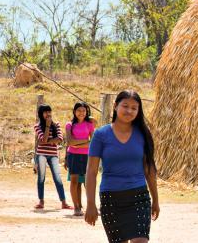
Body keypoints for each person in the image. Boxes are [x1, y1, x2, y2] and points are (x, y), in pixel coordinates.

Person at [84, 90, 160, 243]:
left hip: (139, 197)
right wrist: (90, 204)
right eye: (125, 106)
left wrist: (156, 200)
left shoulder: (143, 134)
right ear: (115, 106)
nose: (129, 111)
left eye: (134, 108)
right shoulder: (100, 135)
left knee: (141, 240)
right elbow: (91, 172)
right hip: (111, 199)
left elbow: (149, 169)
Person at [34, 104, 72, 210]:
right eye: (45, 112)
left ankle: (63, 202)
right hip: (41, 154)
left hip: (53, 155)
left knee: (58, 178)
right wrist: (47, 126)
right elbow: (44, 139)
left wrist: (46, 141)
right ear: (41, 114)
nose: (48, 114)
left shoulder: (57, 124)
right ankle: (41, 201)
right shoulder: (37, 126)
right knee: (41, 178)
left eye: (49, 111)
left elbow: (60, 139)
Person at [65, 101, 96, 216]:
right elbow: (69, 142)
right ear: (74, 111)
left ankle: (91, 206)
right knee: (74, 181)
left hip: (87, 155)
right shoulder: (69, 125)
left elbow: (93, 142)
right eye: (79, 110)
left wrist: (77, 143)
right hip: (73, 156)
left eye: (83, 110)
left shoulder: (89, 124)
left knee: (88, 182)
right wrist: (86, 142)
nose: (81, 113)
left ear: (86, 112)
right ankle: (76, 207)